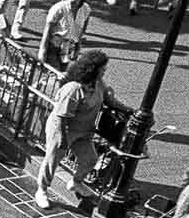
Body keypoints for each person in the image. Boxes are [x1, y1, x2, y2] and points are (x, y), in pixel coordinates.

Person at [36, 48, 126, 209]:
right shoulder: (73, 89)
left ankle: (76, 182)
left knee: (90, 159)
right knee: (52, 160)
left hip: (84, 131)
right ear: (92, 69)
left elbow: (109, 100)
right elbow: (62, 117)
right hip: (63, 130)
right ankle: (41, 190)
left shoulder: (98, 84)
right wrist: (63, 140)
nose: (104, 72)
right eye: (102, 69)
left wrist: (128, 110)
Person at [40, 0, 93, 69]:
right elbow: (47, 31)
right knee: (54, 76)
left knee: (60, 78)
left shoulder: (86, 10)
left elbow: (81, 32)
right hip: (54, 48)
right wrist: (42, 51)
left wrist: (77, 48)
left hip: (68, 50)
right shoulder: (59, 8)